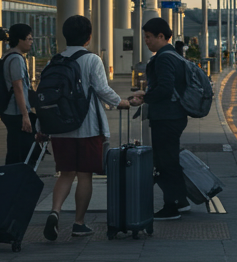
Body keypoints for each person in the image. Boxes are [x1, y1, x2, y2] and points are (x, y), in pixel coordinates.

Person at [43, 15, 130, 241]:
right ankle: (79, 223)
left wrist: (40, 125)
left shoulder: (54, 61)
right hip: (88, 127)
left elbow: (46, 97)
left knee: (64, 174)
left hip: (60, 128)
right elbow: (102, 89)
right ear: (89, 37)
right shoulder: (92, 60)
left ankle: (55, 212)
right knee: (84, 175)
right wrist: (121, 102)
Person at [129, 17, 189, 221]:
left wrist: (144, 98)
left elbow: (164, 88)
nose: (146, 41)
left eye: (148, 37)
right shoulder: (173, 55)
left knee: (165, 161)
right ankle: (181, 201)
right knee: (169, 159)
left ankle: (171, 207)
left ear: (161, 36)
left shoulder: (164, 57)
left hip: (167, 116)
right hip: (174, 115)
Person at [0, 23, 35, 164]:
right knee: (20, 151)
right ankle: (14, 178)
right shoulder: (16, 58)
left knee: (15, 148)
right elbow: (18, 87)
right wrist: (25, 115)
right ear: (20, 40)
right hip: (15, 111)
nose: (31, 42)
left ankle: (12, 177)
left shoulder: (7, 55)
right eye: (29, 39)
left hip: (10, 110)